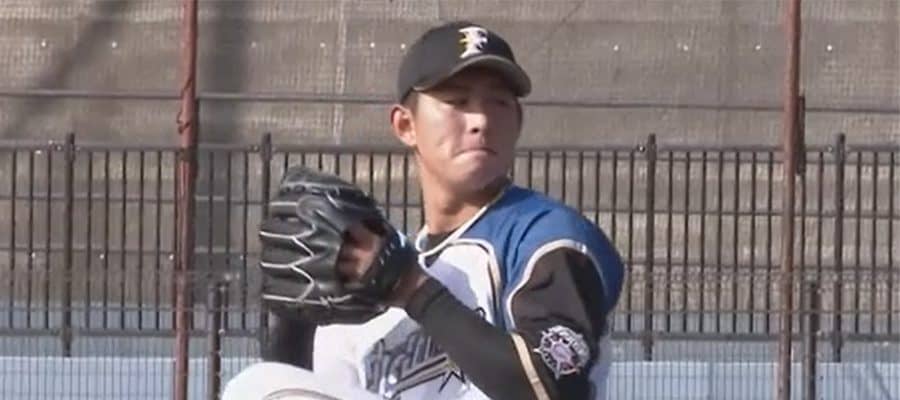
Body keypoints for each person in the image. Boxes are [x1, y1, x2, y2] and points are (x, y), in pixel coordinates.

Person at [223, 20, 625, 400]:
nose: (480, 120)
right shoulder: (382, 279)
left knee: (254, 387)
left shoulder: (545, 236)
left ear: (518, 122)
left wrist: (414, 291)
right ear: (405, 125)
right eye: (457, 101)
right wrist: (295, 318)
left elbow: (550, 389)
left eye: (499, 103)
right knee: (267, 383)